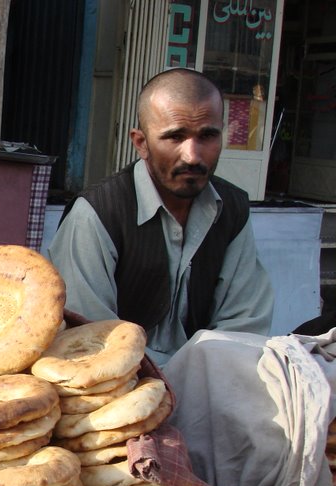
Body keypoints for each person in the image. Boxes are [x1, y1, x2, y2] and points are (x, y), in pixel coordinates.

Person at [47, 67, 274, 366]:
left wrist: (198, 381)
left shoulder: (231, 211)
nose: (192, 156)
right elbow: (87, 340)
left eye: (207, 136)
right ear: (141, 142)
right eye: (174, 137)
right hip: (119, 388)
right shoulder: (98, 213)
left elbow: (244, 327)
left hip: (209, 383)